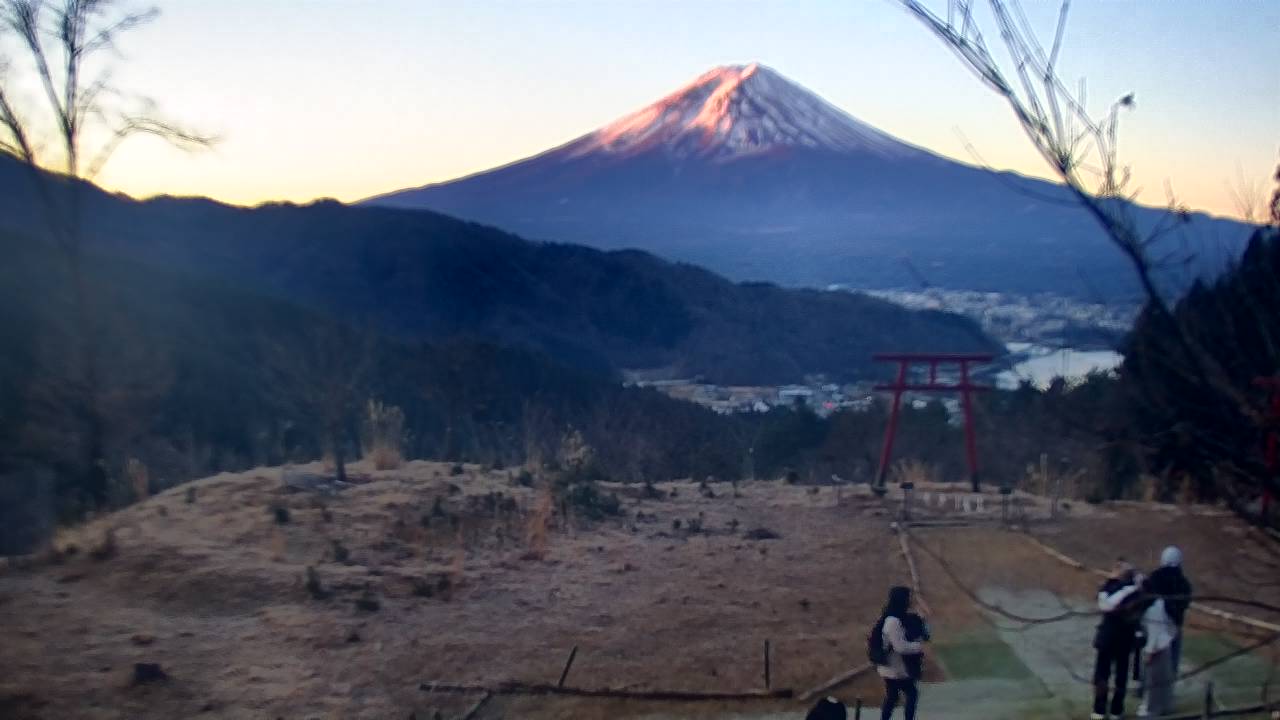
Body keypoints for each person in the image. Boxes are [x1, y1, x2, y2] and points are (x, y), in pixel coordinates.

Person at [1092, 560, 1143, 720]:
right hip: (1123, 639)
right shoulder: (1135, 591)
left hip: (1111, 638)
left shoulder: (1111, 589)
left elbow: (1106, 605)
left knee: (1104, 675)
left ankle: (1101, 709)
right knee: (1119, 676)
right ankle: (1114, 709)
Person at [872, 586, 926, 720]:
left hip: (893, 666)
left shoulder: (896, 617)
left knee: (893, 696)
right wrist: (918, 647)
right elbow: (900, 647)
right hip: (894, 667)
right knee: (911, 694)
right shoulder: (893, 621)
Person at [1145, 546, 1192, 675]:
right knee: (1172, 658)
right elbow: (1185, 603)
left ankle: (1144, 686)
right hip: (1174, 624)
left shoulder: (1155, 577)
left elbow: (1146, 598)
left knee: (1151, 653)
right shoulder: (1183, 582)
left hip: (1154, 622)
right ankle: (1168, 686)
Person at [1138, 596, 1178, 717]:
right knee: (1164, 678)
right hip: (1165, 642)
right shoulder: (1159, 602)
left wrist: (1149, 652)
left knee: (1153, 679)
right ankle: (1166, 706)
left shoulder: (1151, 610)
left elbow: (1154, 632)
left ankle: (1151, 709)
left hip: (1158, 646)